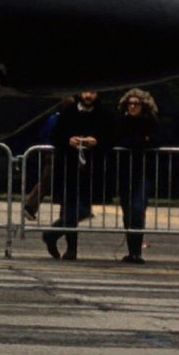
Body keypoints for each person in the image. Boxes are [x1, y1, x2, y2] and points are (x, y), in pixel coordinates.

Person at [41, 92, 109, 260]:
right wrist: (68, 140)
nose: (88, 96)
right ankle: (71, 249)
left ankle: (52, 234)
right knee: (69, 207)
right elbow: (55, 136)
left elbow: (112, 136)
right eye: (86, 92)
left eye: (92, 92)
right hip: (68, 167)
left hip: (91, 168)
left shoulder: (103, 114)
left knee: (83, 209)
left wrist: (98, 141)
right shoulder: (69, 112)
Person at [102, 89, 160, 263]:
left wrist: (138, 142)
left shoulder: (151, 122)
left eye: (136, 104)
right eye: (130, 103)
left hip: (144, 172)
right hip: (125, 172)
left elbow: (158, 140)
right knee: (127, 211)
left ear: (144, 106)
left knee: (137, 209)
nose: (133, 106)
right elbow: (116, 140)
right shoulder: (121, 121)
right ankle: (132, 250)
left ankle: (137, 251)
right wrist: (142, 141)